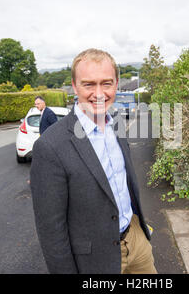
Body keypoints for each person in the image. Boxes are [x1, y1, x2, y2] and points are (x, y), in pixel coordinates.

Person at [30, 48, 157, 274]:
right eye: (89, 84)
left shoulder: (116, 122)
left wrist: (139, 230)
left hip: (137, 243)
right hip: (95, 261)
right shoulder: (50, 146)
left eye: (106, 83)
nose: (99, 94)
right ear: (74, 85)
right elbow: (51, 232)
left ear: (117, 83)